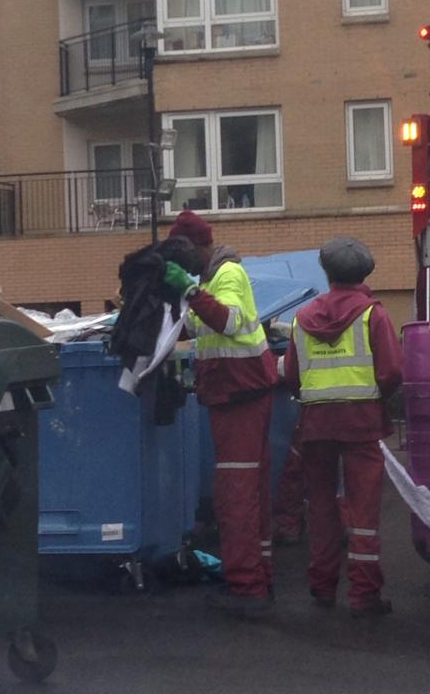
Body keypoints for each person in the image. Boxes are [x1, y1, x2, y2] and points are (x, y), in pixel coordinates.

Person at [163, 211, 278, 615]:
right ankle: (258, 576)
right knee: (251, 488)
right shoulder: (212, 280)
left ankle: (246, 587)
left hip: (238, 393)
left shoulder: (227, 274)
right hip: (241, 391)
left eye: (182, 254)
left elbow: (227, 320)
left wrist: (189, 291)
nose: (181, 264)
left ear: (197, 246)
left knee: (236, 493)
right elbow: (198, 328)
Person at [283, 236, 402, 617]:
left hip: (316, 423)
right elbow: (391, 371)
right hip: (362, 422)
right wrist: (375, 398)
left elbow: (292, 376)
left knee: (321, 507)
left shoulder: (302, 318)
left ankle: (322, 586)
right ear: (364, 273)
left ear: (327, 272)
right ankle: (364, 595)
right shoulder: (373, 315)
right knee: (363, 511)